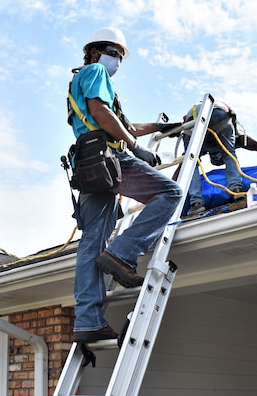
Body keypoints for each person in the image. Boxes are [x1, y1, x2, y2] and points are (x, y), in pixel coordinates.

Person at [68, 27, 183, 344]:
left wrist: (160, 127)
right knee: (170, 192)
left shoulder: (85, 80)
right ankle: (122, 253)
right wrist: (135, 146)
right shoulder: (94, 71)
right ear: (94, 52)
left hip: (90, 164)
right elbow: (101, 113)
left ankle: (88, 321)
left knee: (92, 242)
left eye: (120, 55)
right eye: (112, 52)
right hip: (110, 158)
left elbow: (123, 123)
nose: (116, 59)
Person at [181, 100, 244, 216]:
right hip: (218, 114)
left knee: (191, 163)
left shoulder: (204, 148)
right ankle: (237, 190)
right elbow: (255, 145)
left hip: (194, 118)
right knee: (229, 154)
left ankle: (196, 203)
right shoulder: (232, 140)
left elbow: (184, 165)